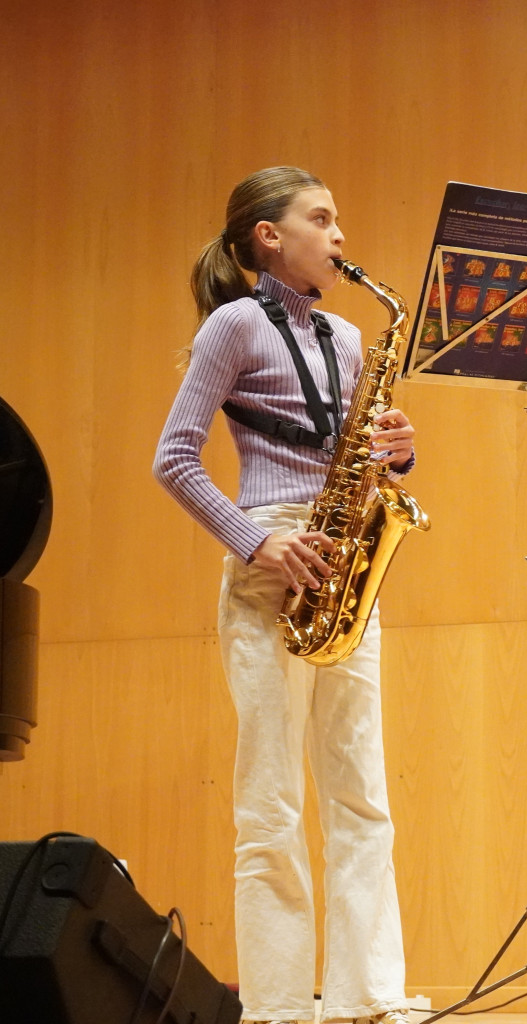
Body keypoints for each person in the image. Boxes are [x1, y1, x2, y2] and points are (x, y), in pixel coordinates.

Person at [153, 167, 416, 1024]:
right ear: (269, 236)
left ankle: (365, 994)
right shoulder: (232, 324)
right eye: (322, 218)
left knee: (360, 791)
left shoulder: (346, 336)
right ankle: (276, 1007)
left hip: (345, 557)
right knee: (270, 799)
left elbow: (358, 459)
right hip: (270, 555)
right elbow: (175, 457)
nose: (340, 235)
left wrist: (397, 454)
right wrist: (255, 539)